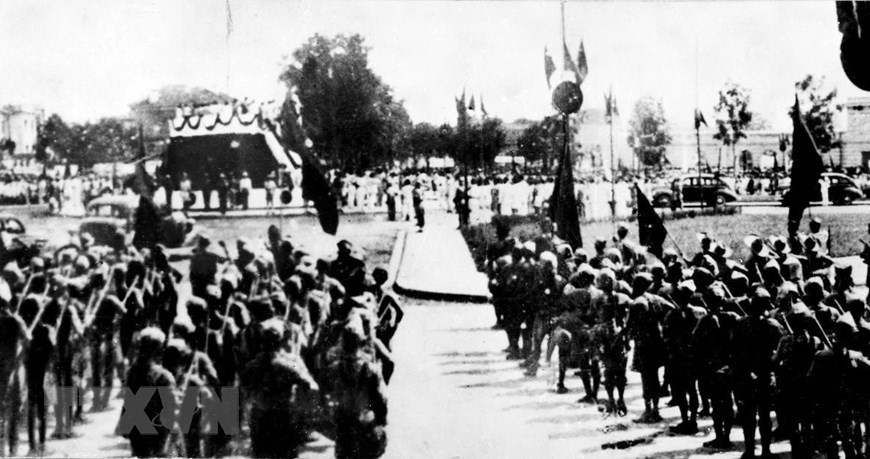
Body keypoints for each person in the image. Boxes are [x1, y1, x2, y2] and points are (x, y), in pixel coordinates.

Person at [242, 318, 319, 459]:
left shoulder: (252, 365)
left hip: (260, 418)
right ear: (282, 340)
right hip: (283, 418)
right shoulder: (289, 364)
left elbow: (245, 390)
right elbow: (312, 387)